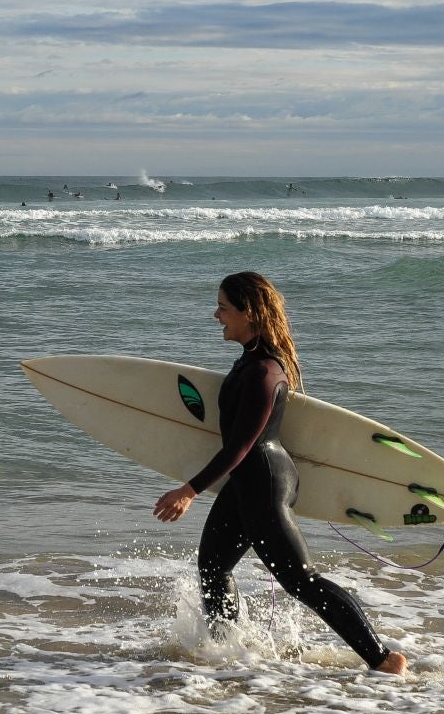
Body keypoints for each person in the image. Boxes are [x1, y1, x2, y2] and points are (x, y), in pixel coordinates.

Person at [152, 272, 407, 676]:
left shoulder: (263, 373)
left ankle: (383, 658)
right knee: (214, 568)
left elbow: (242, 445)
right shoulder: (250, 360)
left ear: (248, 312)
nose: (216, 314)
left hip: (264, 483)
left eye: (223, 306)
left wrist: (190, 490)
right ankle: (226, 651)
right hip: (244, 484)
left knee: (301, 580)